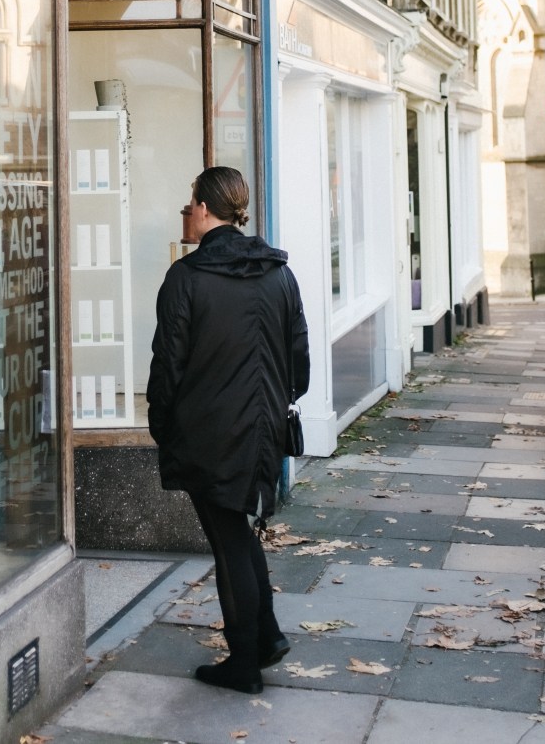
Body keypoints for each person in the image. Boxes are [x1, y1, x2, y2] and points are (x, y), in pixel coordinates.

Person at [147, 166, 310, 696]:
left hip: (210, 433)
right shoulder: (278, 273)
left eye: (190, 203)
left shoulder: (187, 278)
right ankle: (265, 638)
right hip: (264, 430)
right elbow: (299, 359)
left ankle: (244, 664)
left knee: (228, 539)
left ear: (205, 208)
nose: (186, 213)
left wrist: (162, 426)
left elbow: (167, 366)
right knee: (238, 533)